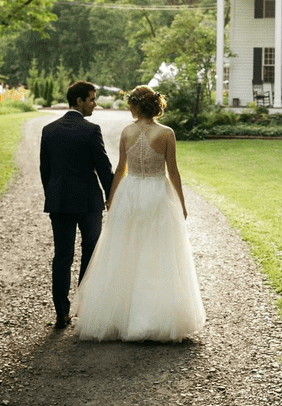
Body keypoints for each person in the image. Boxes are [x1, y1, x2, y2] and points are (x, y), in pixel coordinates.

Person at [73, 85, 206, 342]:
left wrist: (112, 198)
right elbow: (173, 172)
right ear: (154, 105)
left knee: (125, 250)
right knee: (157, 251)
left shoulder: (127, 132)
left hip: (130, 193)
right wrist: (181, 202)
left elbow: (120, 169)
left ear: (135, 105)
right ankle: (154, 318)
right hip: (157, 193)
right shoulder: (166, 133)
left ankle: (120, 316)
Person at [39, 81, 113, 329]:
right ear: (79, 101)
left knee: (62, 256)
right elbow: (104, 168)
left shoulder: (49, 130)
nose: (95, 104)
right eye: (92, 99)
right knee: (90, 253)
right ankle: (86, 308)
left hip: (59, 201)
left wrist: (53, 194)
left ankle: (61, 312)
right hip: (88, 202)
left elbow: (45, 170)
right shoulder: (91, 130)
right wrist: (112, 195)